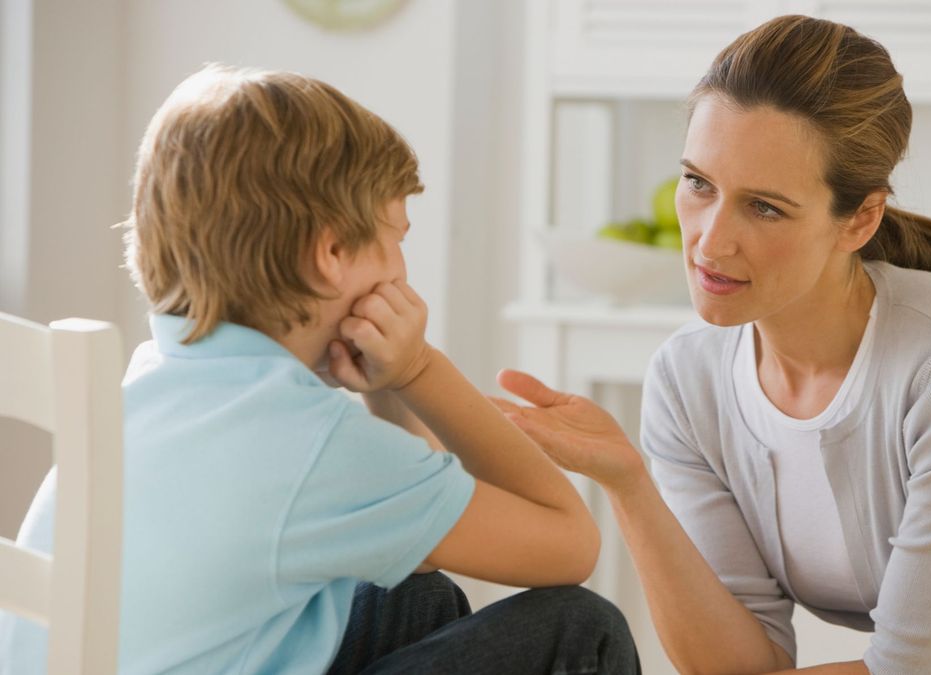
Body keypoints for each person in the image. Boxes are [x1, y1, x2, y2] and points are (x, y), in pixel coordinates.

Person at [494, 15, 931, 675]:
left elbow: (909, 670)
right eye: (697, 184)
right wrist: (629, 484)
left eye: (764, 205)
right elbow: (744, 662)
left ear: (860, 217)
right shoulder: (688, 380)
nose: (710, 239)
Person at [0, 64, 638, 675]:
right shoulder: (309, 442)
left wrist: (385, 391)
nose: (401, 270)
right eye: (397, 239)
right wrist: (417, 369)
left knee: (416, 593)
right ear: (331, 252)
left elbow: (405, 531)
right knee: (581, 628)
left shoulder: (159, 379)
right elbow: (570, 545)